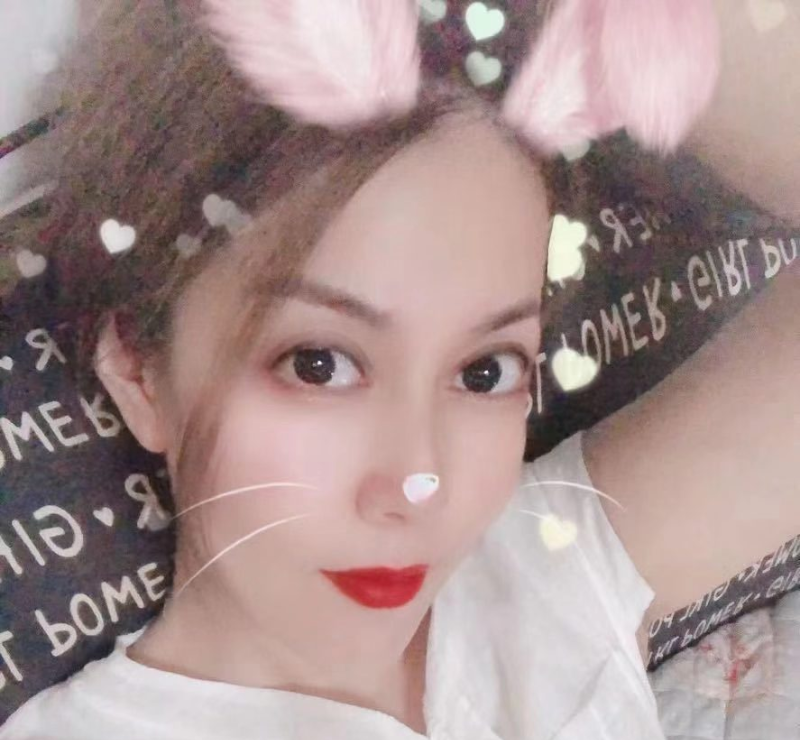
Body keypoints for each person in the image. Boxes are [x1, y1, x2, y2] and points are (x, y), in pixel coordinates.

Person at [1, 0, 798, 738]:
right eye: (319, 365)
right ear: (139, 369)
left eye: (485, 372)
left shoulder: (545, 580)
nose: (419, 485)